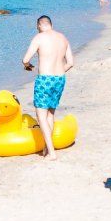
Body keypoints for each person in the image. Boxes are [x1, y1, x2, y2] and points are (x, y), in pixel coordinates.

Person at [21, 15, 74, 160]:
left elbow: (25, 59)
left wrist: (28, 66)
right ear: (50, 24)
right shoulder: (63, 38)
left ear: (39, 25)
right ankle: (46, 148)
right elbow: (70, 62)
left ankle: (51, 153)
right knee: (50, 114)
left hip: (45, 79)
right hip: (60, 78)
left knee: (41, 116)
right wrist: (59, 71)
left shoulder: (39, 37)